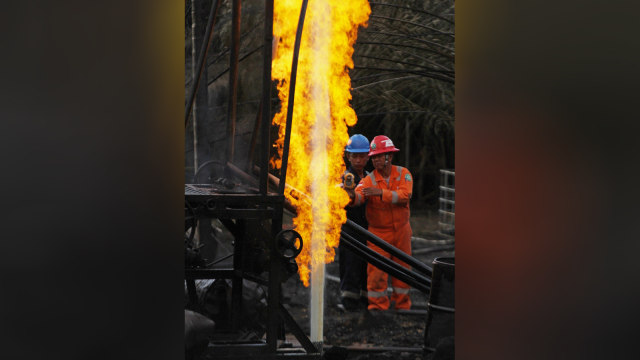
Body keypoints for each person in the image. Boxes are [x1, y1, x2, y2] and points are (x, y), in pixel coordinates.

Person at [352, 135, 413, 311]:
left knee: (403, 272)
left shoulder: (404, 174)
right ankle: (378, 309)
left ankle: (402, 308)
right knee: (376, 274)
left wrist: (380, 193)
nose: (375, 160)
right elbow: (358, 197)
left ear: (390, 156)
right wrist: (349, 195)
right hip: (378, 234)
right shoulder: (368, 180)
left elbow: (404, 196)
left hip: (402, 231)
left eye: (379, 156)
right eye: (374, 157)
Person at [338, 134, 370, 312]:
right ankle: (349, 301)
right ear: (348, 156)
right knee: (350, 264)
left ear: (367, 157)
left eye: (362, 156)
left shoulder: (370, 177)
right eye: (354, 156)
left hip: (367, 228)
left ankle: (365, 299)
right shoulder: (345, 178)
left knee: (367, 265)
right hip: (349, 229)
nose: (358, 160)